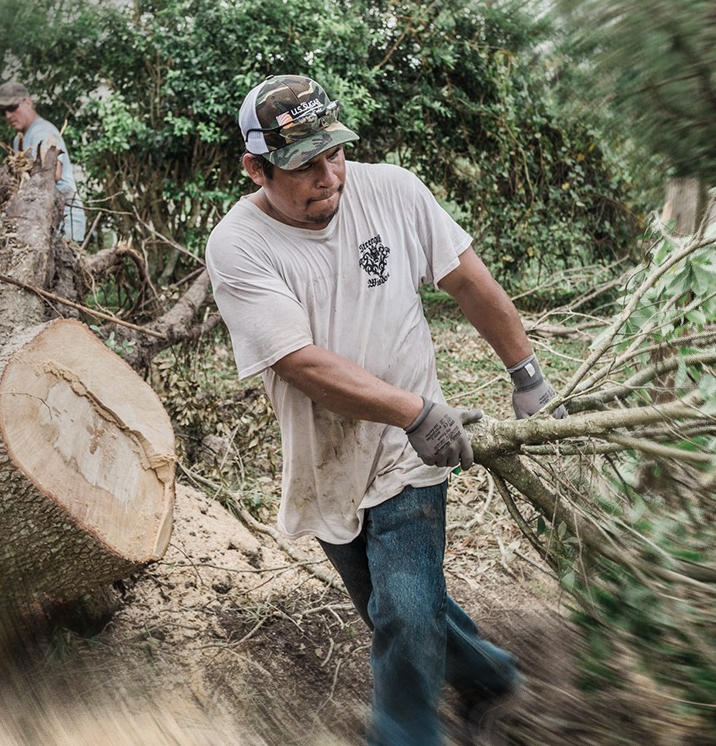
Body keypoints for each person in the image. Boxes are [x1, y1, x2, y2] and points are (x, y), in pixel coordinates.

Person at [205, 74, 568, 746]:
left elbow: (466, 278)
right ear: (255, 168)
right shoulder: (238, 247)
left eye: (334, 154)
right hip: (330, 459)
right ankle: (489, 675)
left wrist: (527, 375)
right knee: (396, 612)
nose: (328, 177)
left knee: (403, 611)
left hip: (411, 454)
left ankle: (403, 735)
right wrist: (415, 411)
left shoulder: (394, 191)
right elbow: (302, 364)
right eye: (303, 166)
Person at [0, 80, 86, 243]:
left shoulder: (42, 132)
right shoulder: (19, 140)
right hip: (42, 217)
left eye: (12, 108)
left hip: (65, 219)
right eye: (3, 111)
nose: (8, 115)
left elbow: (52, 174)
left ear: (28, 102)